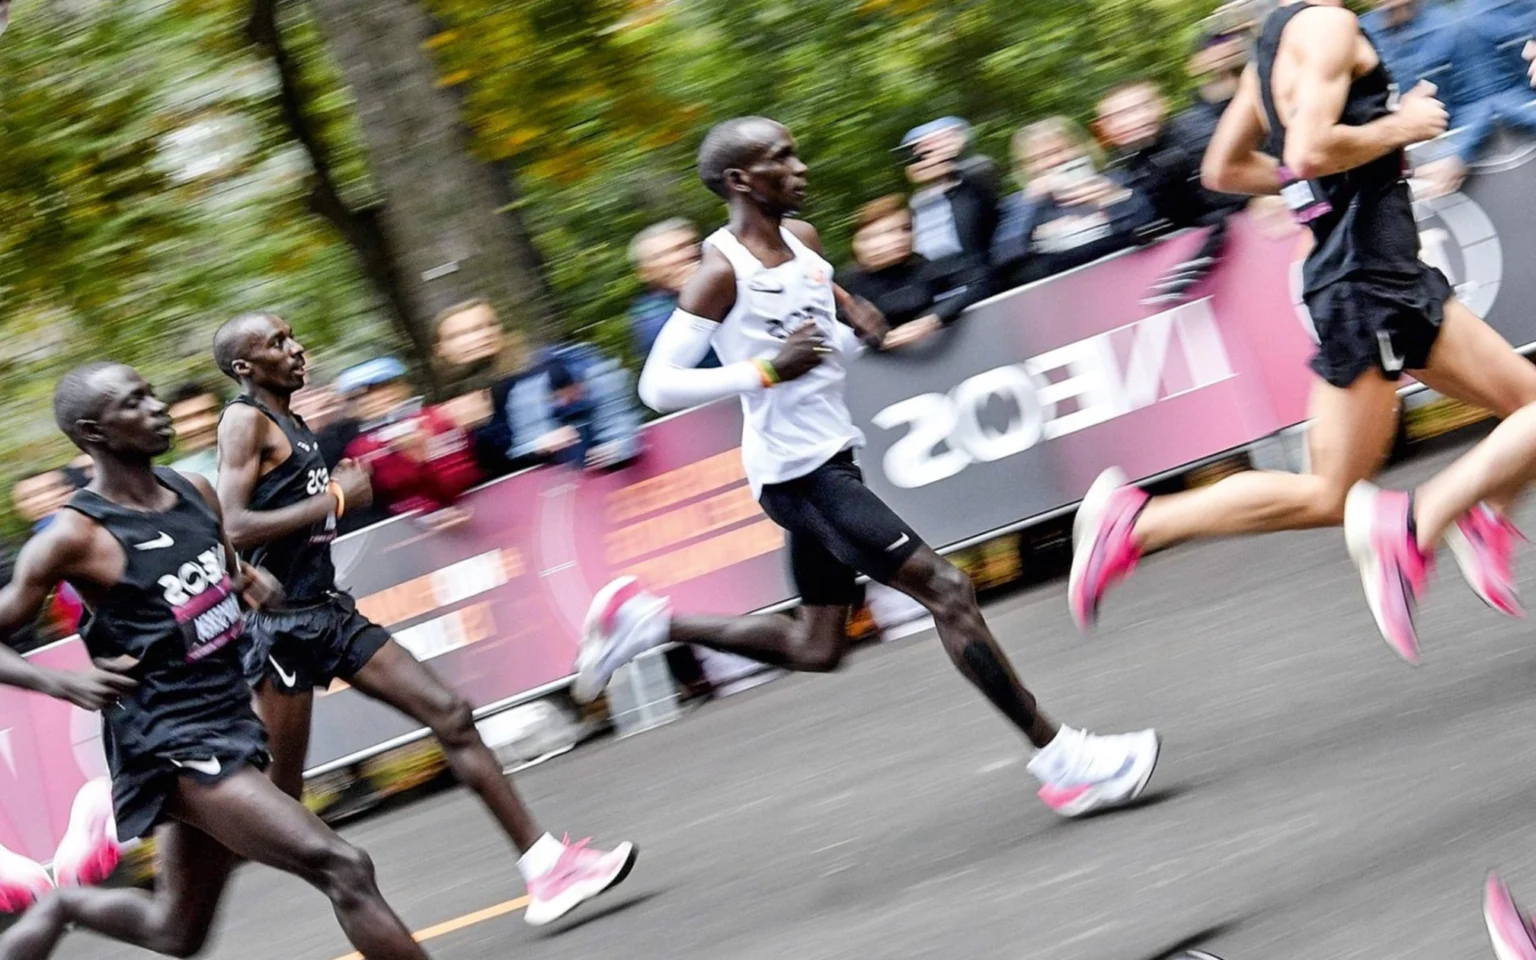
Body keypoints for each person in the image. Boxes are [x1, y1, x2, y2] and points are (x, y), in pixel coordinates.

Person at [573, 116, 1161, 820]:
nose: (800, 168)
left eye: (795, 152)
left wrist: (857, 316)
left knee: (818, 646)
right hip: (800, 474)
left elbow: (824, 306)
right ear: (738, 181)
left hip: (831, 453)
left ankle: (647, 623)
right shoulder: (719, 271)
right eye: (780, 159)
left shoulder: (803, 240)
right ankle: (1065, 761)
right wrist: (763, 370)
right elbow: (657, 386)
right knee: (948, 591)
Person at [1068, 0, 1536, 647]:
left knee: (1523, 409)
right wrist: (1401, 128)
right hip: (1369, 279)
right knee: (1328, 492)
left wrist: (1329, 175)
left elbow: (1225, 168)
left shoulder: (1273, 47)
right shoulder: (1325, 26)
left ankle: (1481, 513)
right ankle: (1139, 520)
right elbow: (1313, 149)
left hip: (1384, 270)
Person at [211, 312, 636, 927]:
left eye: (293, 335)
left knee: (451, 715)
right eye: (277, 343)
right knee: (278, 804)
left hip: (329, 614)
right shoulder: (244, 421)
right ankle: (181, 901)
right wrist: (333, 499)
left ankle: (547, 868)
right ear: (245, 367)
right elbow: (231, 524)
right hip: (282, 632)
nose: (296, 348)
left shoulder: (296, 422)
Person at [0, 362, 431, 959]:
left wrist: (245, 578)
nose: (157, 407)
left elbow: (219, 559)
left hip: (230, 717)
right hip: (169, 741)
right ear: (94, 433)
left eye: (152, 393)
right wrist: (60, 682)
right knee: (344, 865)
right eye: (135, 402)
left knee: (175, 932)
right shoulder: (75, 537)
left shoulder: (190, 490)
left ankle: (64, 904)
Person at [991, 117, 1157, 287]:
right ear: (1025, 167)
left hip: (1132, 278)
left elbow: (1150, 223)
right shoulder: (1018, 204)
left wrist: (1113, 199)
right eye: (1036, 159)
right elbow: (1005, 258)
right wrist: (1027, 206)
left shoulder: (1115, 180)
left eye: (1059, 151)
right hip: (1063, 294)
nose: (1052, 162)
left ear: (1081, 149)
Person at [840, 194, 989, 351]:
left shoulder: (926, 268)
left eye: (906, 229)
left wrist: (934, 318)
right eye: (888, 232)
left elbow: (981, 282)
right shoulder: (845, 286)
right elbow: (824, 347)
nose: (901, 237)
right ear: (861, 242)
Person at [627, 219, 718, 367]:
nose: (681, 257)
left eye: (686, 246)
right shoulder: (650, 314)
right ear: (645, 273)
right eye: (663, 255)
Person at [167, 382, 224, 485]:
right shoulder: (171, 480)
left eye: (205, 413)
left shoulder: (251, 454)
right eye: (184, 420)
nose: (198, 425)